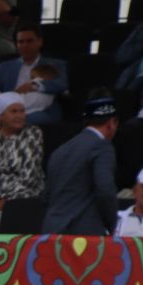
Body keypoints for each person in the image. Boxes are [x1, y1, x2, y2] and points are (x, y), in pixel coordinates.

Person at [42, 96, 121, 236]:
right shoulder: (102, 147)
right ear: (111, 123)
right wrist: (113, 225)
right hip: (83, 233)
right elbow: (105, 190)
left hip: (52, 230)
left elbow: (48, 194)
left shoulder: (61, 150)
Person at [0, 92, 45, 224]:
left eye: (22, 111)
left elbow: (29, 174)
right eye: (13, 111)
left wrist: (5, 198)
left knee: (23, 199)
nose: (19, 116)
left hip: (23, 188)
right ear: (0, 115)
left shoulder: (33, 133)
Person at [0, 24, 66, 124]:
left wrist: (34, 86)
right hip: (9, 108)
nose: (25, 45)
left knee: (19, 120)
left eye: (30, 41)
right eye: (21, 42)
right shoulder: (5, 67)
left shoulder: (56, 64)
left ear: (40, 42)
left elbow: (62, 84)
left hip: (42, 110)